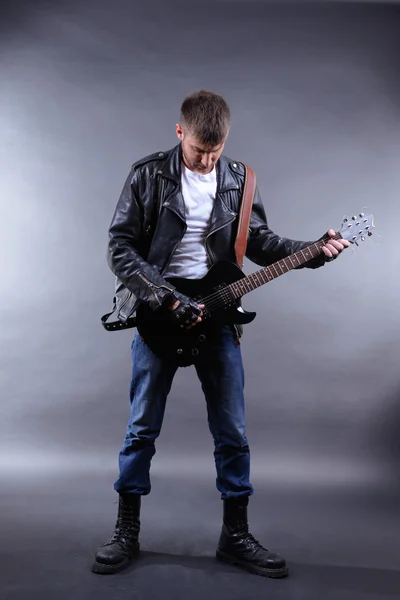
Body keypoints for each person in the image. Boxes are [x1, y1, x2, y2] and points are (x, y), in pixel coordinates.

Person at [92, 90, 349, 578]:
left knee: (232, 431)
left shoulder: (239, 179)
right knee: (141, 427)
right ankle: (126, 530)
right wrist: (165, 296)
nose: (207, 161)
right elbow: (120, 247)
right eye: (197, 152)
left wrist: (315, 249)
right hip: (159, 310)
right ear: (179, 133)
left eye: (215, 151)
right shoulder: (148, 174)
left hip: (219, 312)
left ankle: (235, 537)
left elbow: (262, 242)